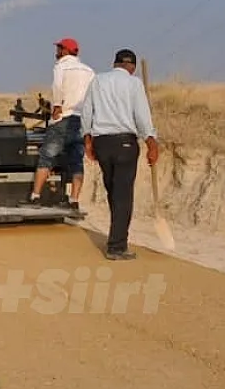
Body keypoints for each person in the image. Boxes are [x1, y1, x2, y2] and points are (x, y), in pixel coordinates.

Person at [80, 48, 160, 261]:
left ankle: (116, 236)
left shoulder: (98, 81)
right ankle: (117, 246)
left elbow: (86, 111)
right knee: (123, 195)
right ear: (132, 67)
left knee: (113, 192)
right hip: (125, 142)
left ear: (115, 63)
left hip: (102, 143)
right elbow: (142, 116)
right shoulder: (134, 83)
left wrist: (88, 140)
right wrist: (151, 142)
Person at [25, 38, 95, 211]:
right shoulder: (89, 71)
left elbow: (57, 86)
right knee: (77, 161)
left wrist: (57, 105)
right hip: (82, 120)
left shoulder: (61, 66)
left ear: (64, 51)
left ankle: (35, 197)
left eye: (58, 48)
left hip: (64, 117)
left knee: (46, 156)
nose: (56, 52)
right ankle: (74, 201)